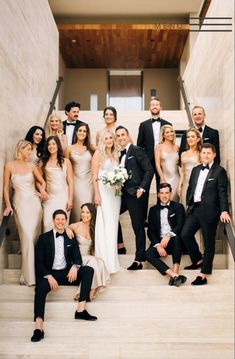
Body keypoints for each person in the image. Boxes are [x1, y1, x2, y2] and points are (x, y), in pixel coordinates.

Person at [31, 209, 97, 343]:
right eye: (58, 219)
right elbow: (38, 262)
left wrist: (75, 266)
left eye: (63, 219)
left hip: (66, 273)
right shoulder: (44, 238)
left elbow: (78, 258)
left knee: (88, 270)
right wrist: (48, 276)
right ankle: (38, 328)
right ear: (53, 221)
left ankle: (80, 310)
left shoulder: (71, 238)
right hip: (49, 274)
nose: (60, 221)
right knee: (39, 289)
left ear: (66, 221)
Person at [181, 143, 231, 285]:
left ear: (214, 155)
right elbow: (191, 187)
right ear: (200, 154)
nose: (206, 155)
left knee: (209, 243)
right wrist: (189, 203)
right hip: (194, 209)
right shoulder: (196, 169)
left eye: (209, 153)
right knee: (185, 234)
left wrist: (224, 210)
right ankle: (197, 260)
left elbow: (222, 192)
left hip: (210, 212)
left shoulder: (219, 171)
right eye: (204, 153)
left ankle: (203, 274)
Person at [3, 140, 46, 286]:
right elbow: (5, 188)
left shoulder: (31, 166)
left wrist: (41, 191)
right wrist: (8, 205)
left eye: (31, 150)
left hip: (34, 204)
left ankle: (26, 274)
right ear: (20, 149)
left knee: (33, 239)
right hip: (19, 203)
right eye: (28, 149)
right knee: (26, 237)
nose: (30, 152)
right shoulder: (9, 165)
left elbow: (42, 181)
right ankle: (28, 275)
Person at [115, 126, 154, 270]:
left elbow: (149, 170)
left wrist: (142, 189)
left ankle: (139, 259)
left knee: (137, 226)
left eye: (123, 135)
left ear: (128, 135)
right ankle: (119, 245)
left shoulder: (136, 150)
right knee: (111, 215)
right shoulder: (118, 154)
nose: (120, 138)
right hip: (122, 194)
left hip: (135, 194)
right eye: (118, 136)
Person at [137, 97, 172, 223]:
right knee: (144, 187)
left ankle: (160, 214)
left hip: (163, 161)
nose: (155, 106)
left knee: (161, 186)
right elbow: (139, 145)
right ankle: (143, 217)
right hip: (147, 161)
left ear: (160, 107)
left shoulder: (168, 124)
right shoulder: (143, 125)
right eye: (152, 105)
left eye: (157, 104)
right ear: (149, 108)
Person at [92, 129, 121, 274]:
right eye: (106, 138)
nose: (109, 140)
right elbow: (94, 176)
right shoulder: (98, 153)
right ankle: (104, 262)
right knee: (105, 225)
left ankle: (112, 261)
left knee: (113, 226)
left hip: (115, 194)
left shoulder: (116, 154)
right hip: (103, 193)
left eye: (111, 138)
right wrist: (97, 194)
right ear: (102, 140)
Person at [146, 183, 186, 286]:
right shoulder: (153, 210)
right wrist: (158, 245)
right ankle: (174, 275)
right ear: (158, 194)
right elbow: (150, 231)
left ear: (171, 194)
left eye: (167, 193)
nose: (164, 195)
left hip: (173, 241)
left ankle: (176, 271)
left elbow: (180, 225)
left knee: (176, 238)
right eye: (162, 193)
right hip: (160, 242)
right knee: (148, 254)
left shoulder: (178, 207)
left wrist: (168, 235)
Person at [69, 203, 109, 301]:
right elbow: (65, 229)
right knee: (95, 261)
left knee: (99, 261)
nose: (84, 215)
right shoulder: (74, 226)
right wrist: (67, 229)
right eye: (82, 212)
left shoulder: (95, 228)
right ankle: (91, 292)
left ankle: (88, 291)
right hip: (78, 258)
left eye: (87, 212)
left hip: (89, 258)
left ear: (92, 214)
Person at [38, 136, 73, 232]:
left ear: (58, 145)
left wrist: (70, 199)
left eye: (53, 144)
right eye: (49, 144)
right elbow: (37, 180)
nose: (51, 146)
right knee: (47, 223)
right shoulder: (43, 162)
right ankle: (48, 246)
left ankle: (60, 246)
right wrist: (42, 190)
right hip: (49, 198)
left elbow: (70, 182)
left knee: (62, 224)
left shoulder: (66, 161)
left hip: (63, 198)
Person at [65, 123, 94, 222]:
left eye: (84, 131)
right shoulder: (69, 148)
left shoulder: (91, 148)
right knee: (77, 210)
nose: (82, 133)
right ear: (76, 132)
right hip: (76, 183)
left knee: (88, 209)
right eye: (80, 130)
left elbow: (103, 152)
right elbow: (66, 167)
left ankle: (88, 234)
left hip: (89, 184)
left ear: (87, 134)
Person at [178, 128, 202, 208]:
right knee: (185, 206)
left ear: (198, 139)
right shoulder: (183, 154)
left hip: (197, 184)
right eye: (188, 137)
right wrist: (179, 186)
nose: (190, 139)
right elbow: (182, 172)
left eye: (192, 136)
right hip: (185, 185)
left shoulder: (201, 153)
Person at [155, 125, 180, 201]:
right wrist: (162, 178)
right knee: (165, 200)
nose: (170, 133)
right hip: (165, 178)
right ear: (163, 135)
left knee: (176, 201)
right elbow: (157, 164)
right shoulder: (159, 147)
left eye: (171, 131)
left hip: (177, 179)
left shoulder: (177, 147)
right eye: (167, 132)